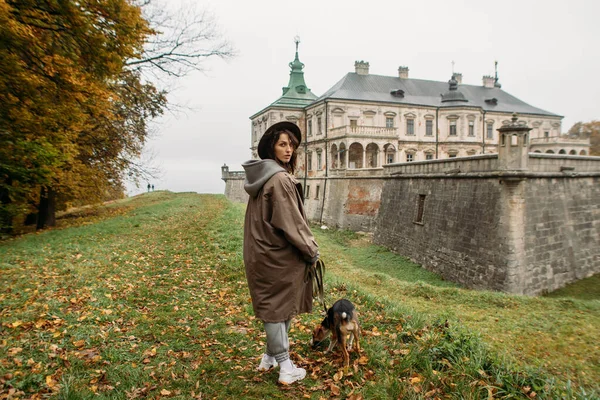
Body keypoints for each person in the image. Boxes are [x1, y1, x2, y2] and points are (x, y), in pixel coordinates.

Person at [242, 121, 319, 385]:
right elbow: (292, 223)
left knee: (279, 307)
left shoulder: (263, 177)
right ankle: (286, 367)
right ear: (272, 147)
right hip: (277, 255)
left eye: (291, 145)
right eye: (282, 144)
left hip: (261, 252)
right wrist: (311, 250)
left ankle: (269, 357)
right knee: (276, 309)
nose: (288, 150)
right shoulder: (279, 179)